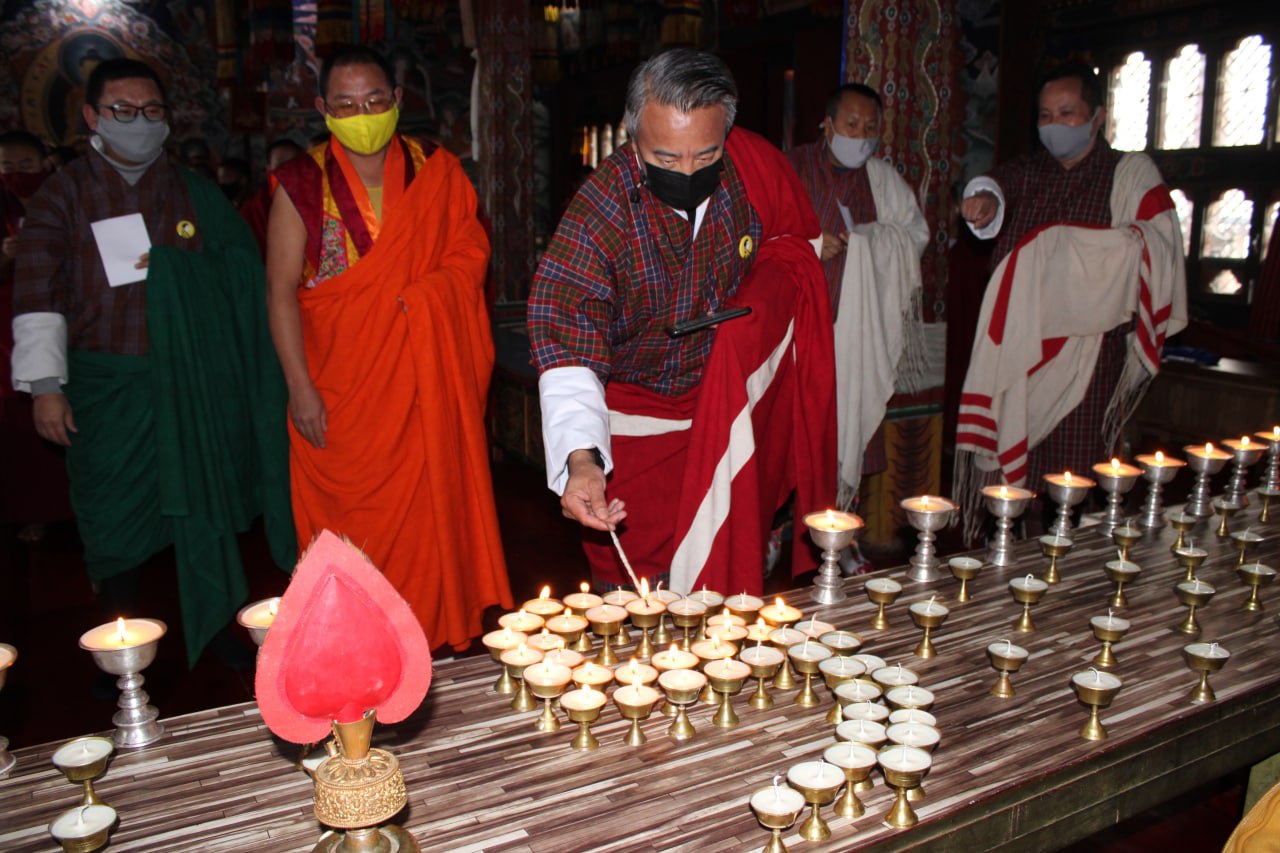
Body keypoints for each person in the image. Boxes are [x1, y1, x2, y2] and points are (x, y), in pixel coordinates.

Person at [10, 58, 294, 664]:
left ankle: (219, 624)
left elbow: (247, 272)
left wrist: (177, 271)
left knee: (203, 503)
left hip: (191, 386)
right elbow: (37, 292)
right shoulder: (64, 195)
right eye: (123, 112)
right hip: (107, 386)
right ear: (92, 116)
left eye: (152, 112)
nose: (139, 124)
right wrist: (45, 387)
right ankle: (121, 645)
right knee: (115, 519)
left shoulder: (194, 192)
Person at [528, 49, 836, 595]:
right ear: (632, 137)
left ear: (728, 135)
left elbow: (792, 243)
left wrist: (756, 315)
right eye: (666, 160)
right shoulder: (602, 208)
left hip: (724, 412)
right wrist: (582, 460)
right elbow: (566, 335)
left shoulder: (750, 169)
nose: (689, 172)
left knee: (723, 580)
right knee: (630, 589)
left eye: (706, 155)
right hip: (636, 424)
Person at [266, 45, 511, 650]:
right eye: (346, 104)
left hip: (424, 387)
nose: (363, 113)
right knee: (348, 541)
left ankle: (429, 640)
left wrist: (427, 295)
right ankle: (356, 654)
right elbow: (279, 294)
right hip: (341, 394)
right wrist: (300, 388)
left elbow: (470, 255)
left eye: (375, 100)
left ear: (398, 101)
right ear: (324, 109)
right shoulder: (300, 184)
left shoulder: (436, 171)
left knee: (430, 525)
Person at [952, 62, 1186, 537]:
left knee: (1071, 484)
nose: (1054, 126)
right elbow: (995, 185)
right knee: (1009, 491)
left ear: (1098, 117)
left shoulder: (1127, 174)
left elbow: (1159, 243)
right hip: (1017, 355)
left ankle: (1067, 581)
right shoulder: (1030, 171)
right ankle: (1005, 574)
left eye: (1067, 113)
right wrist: (984, 200)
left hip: (1088, 358)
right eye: (1044, 116)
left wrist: (1074, 251)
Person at [787, 83, 929, 512]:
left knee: (848, 428)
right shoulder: (791, 168)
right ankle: (779, 527)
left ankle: (841, 528)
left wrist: (870, 241)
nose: (861, 135)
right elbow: (759, 234)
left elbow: (915, 235)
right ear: (827, 124)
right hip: (797, 331)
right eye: (851, 124)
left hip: (857, 333)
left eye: (870, 127)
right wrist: (809, 245)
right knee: (791, 434)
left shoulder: (882, 180)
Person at [0, 129, 73, 543]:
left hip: (60, 323)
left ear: (43, 164)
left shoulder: (61, 200)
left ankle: (64, 509)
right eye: (7, 167)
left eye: (25, 166)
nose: (16, 175)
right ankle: (27, 513)